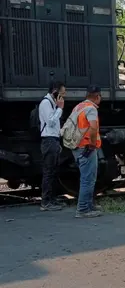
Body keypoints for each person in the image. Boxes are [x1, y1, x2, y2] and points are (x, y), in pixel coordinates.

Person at [69, 85, 103, 218]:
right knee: (88, 179)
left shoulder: (79, 107)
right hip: (86, 147)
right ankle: (83, 209)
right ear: (97, 96)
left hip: (77, 146)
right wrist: (93, 145)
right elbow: (93, 128)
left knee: (87, 177)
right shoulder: (91, 109)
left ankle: (88, 205)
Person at [39, 81, 66, 211]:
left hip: (53, 140)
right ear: (55, 92)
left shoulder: (52, 104)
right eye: (61, 94)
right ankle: (46, 202)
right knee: (49, 172)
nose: (63, 98)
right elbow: (50, 122)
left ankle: (52, 199)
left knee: (53, 171)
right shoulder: (45, 103)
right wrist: (60, 108)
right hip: (49, 140)